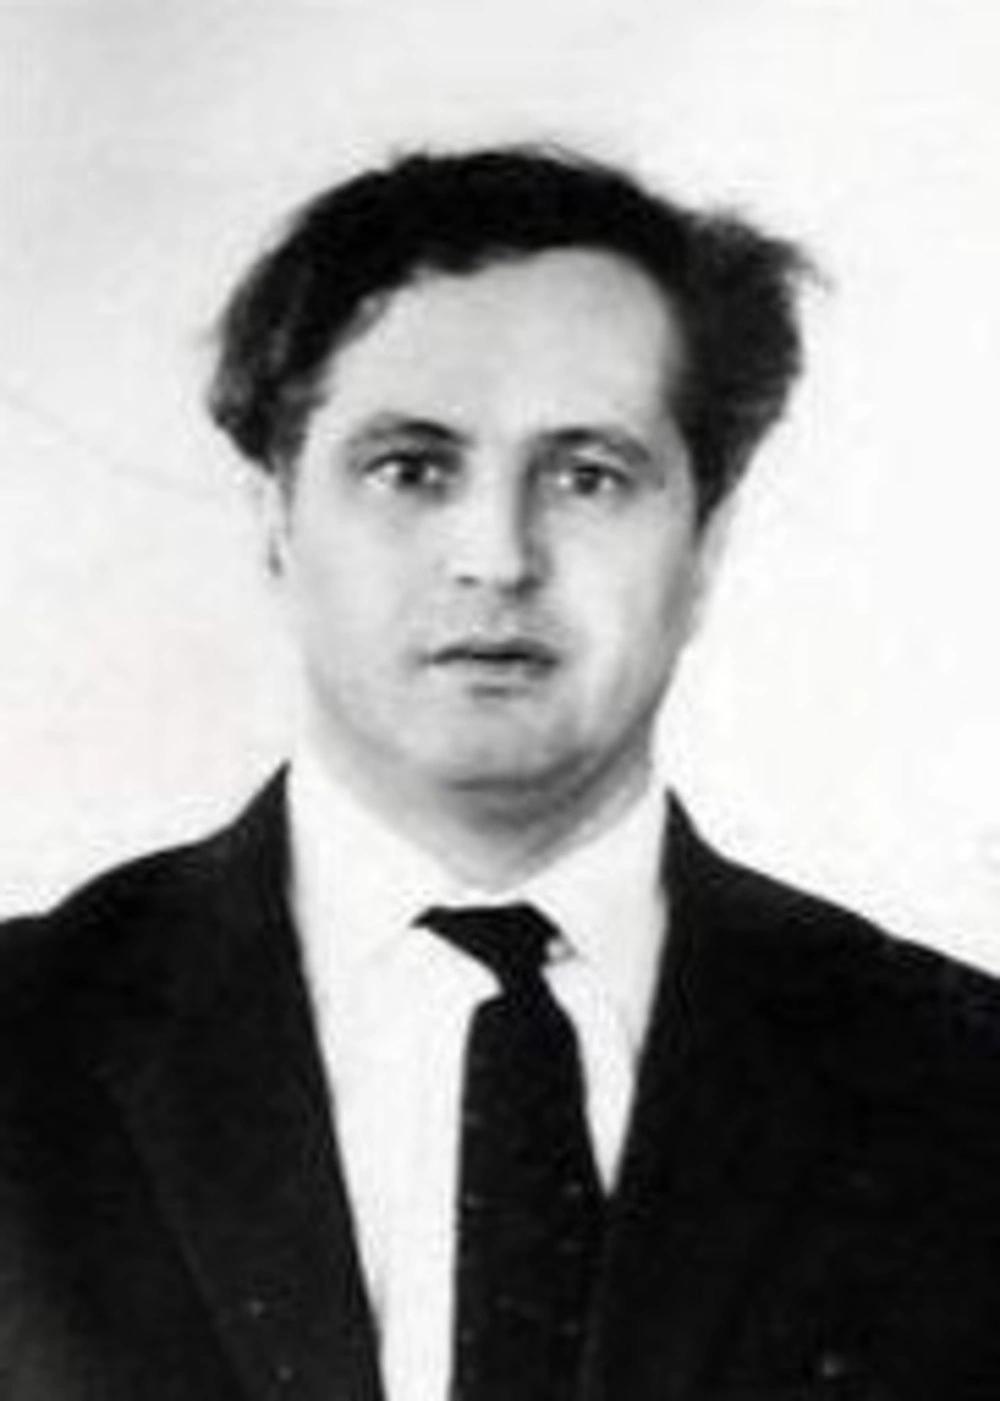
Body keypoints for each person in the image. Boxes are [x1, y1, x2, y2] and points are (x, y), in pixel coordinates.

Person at [1, 146, 999, 1401]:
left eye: (588, 477)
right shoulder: (25, 1045)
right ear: (274, 519)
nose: (498, 557)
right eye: (411, 469)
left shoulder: (958, 1085)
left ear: (705, 543)